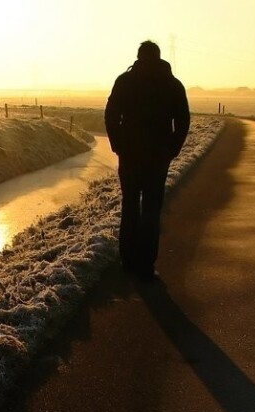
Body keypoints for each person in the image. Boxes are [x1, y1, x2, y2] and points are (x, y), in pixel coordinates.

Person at [105, 40, 190, 281]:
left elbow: (111, 114)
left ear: (139, 57)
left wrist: (117, 145)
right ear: (159, 57)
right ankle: (146, 265)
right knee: (151, 209)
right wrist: (172, 149)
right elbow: (183, 120)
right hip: (157, 157)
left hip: (130, 155)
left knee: (130, 206)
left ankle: (128, 261)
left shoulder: (125, 81)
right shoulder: (172, 84)